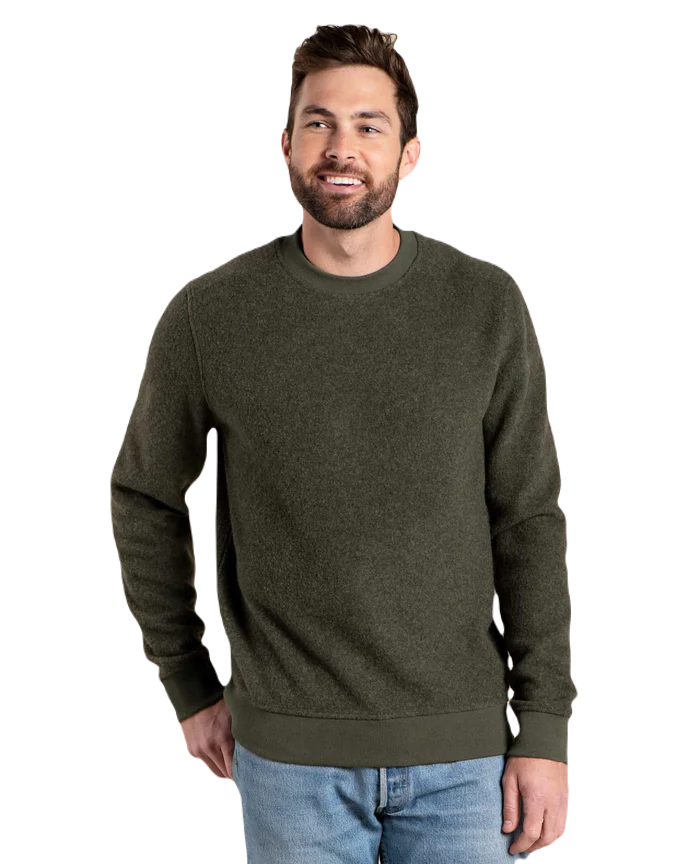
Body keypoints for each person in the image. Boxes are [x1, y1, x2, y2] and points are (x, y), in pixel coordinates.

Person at [110, 23, 577, 863]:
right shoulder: (210, 316)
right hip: (290, 763)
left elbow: (528, 520)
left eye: (370, 125)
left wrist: (543, 726)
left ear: (410, 152)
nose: (341, 148)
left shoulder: (484, 306)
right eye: (319, 122)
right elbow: (144, 495)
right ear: (287, 143)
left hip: (464, 761)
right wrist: (186, 680)